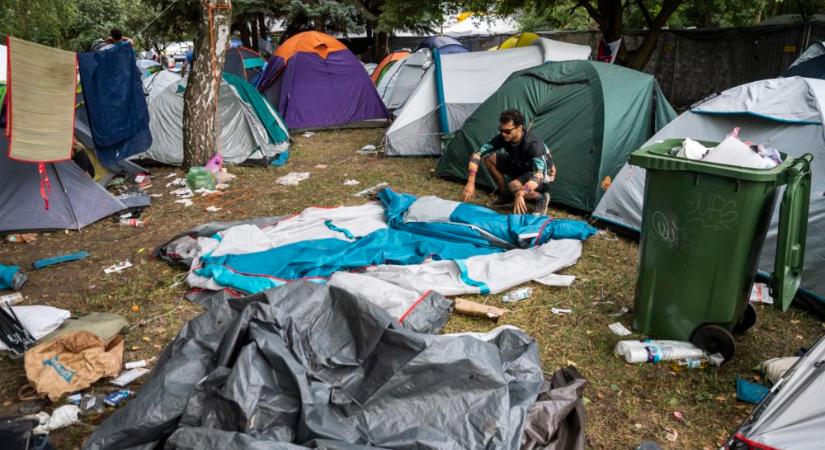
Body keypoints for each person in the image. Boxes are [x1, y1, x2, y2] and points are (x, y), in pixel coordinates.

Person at [462, 109, 556, 215]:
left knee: (513, 186)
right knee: (489, 158)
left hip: (542, 175)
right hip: (521, 166)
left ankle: (540, 198)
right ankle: (505, 196)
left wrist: (521, 193)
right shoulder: (504, 137)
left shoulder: (533, 145)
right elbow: (478, 153)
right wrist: (470, 181)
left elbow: (540, 174)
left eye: (507, 131)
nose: (503, 134)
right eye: (501, 130)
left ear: (519, 128)